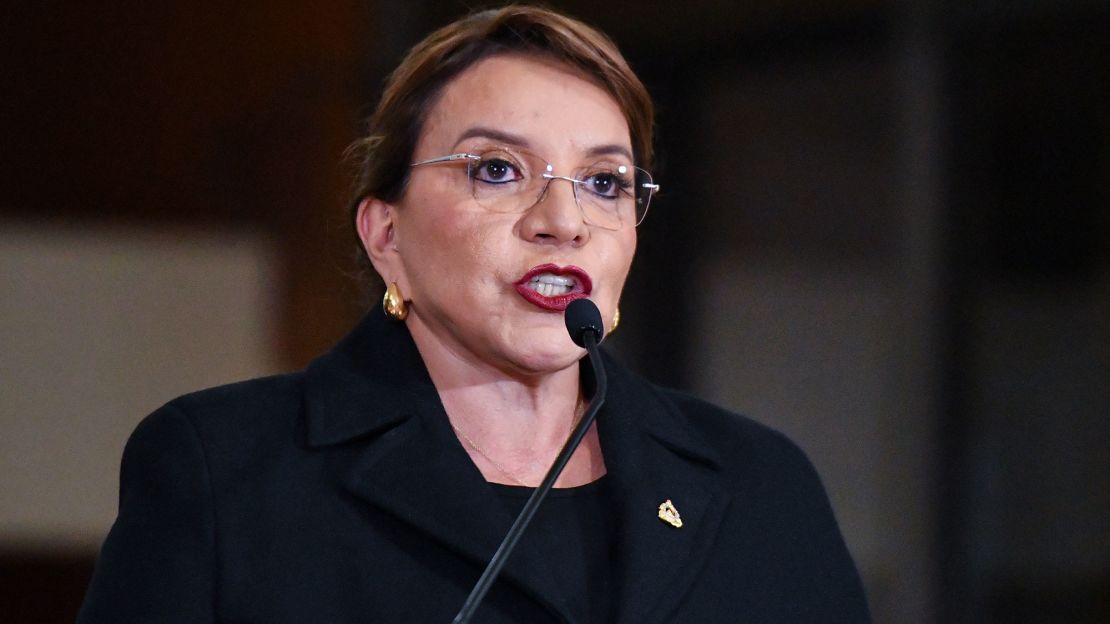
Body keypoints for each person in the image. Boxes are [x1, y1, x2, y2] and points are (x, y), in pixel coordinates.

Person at [78, 5, 870, 623]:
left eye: (605, 183)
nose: (563, 220)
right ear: (386, 234)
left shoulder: (761, 486)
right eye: (497, 169)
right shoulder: (227, 472)